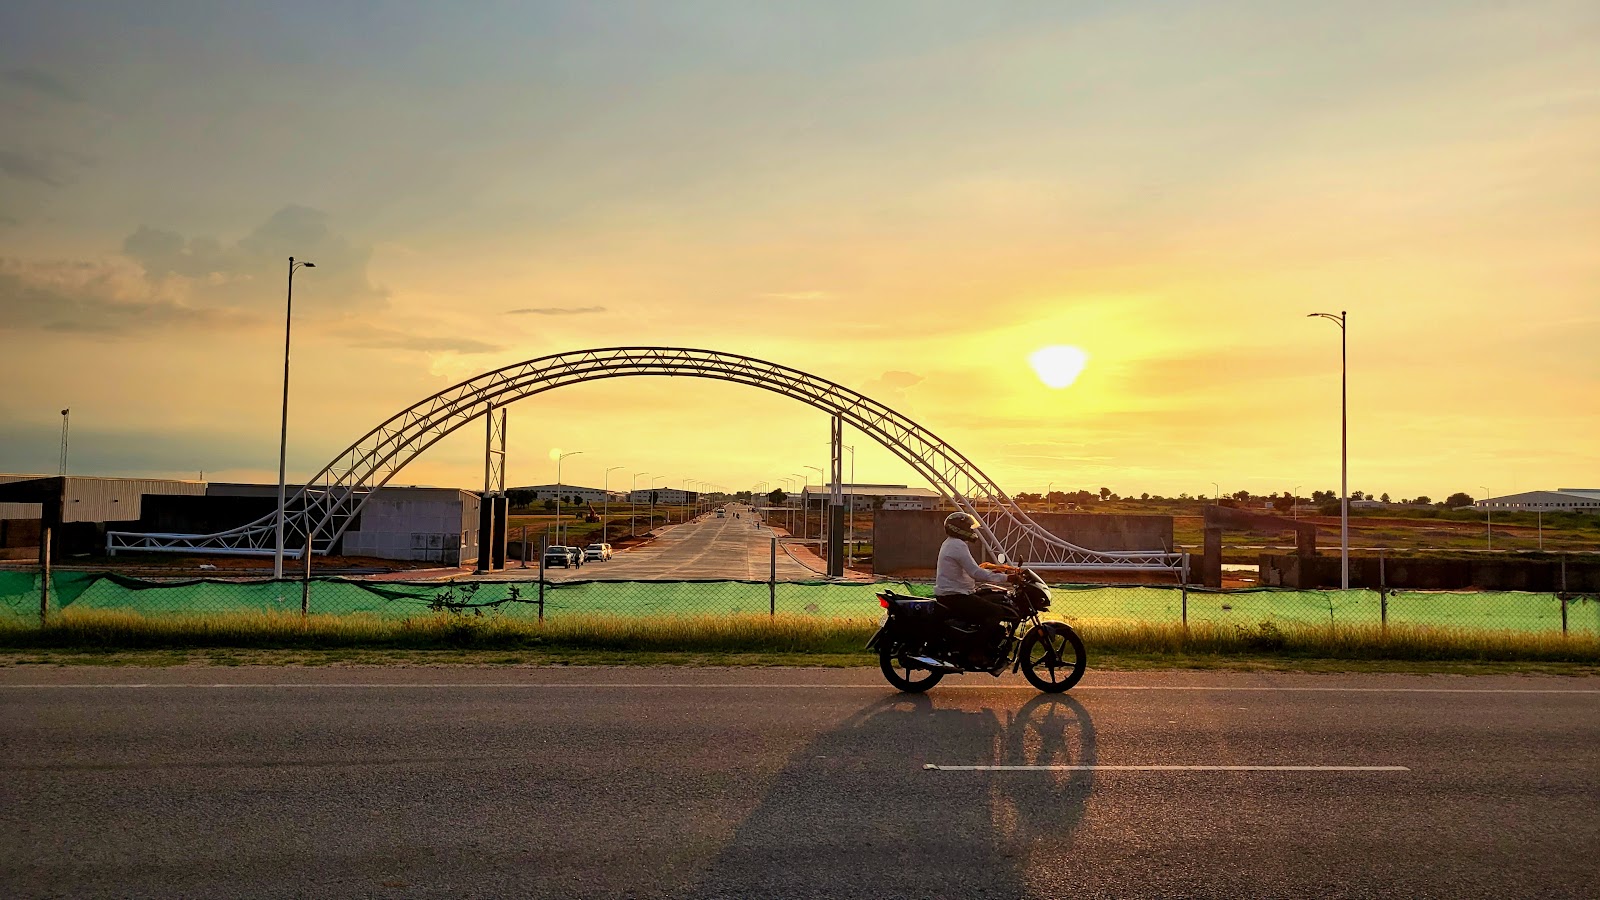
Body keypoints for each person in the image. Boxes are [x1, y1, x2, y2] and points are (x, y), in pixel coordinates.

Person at [935, 511, 1017, 664]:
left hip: (954, 593)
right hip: (955, 596)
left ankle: (979, 643)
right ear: (959, 528)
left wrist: (997, 571)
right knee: (996, 611)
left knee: (989, 599)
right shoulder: (957, 545)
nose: (972, 531)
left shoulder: (951, 543)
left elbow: (971, 570)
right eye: (969, 527)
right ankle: (976, 653)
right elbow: (976, 573)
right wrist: (1007, 578)